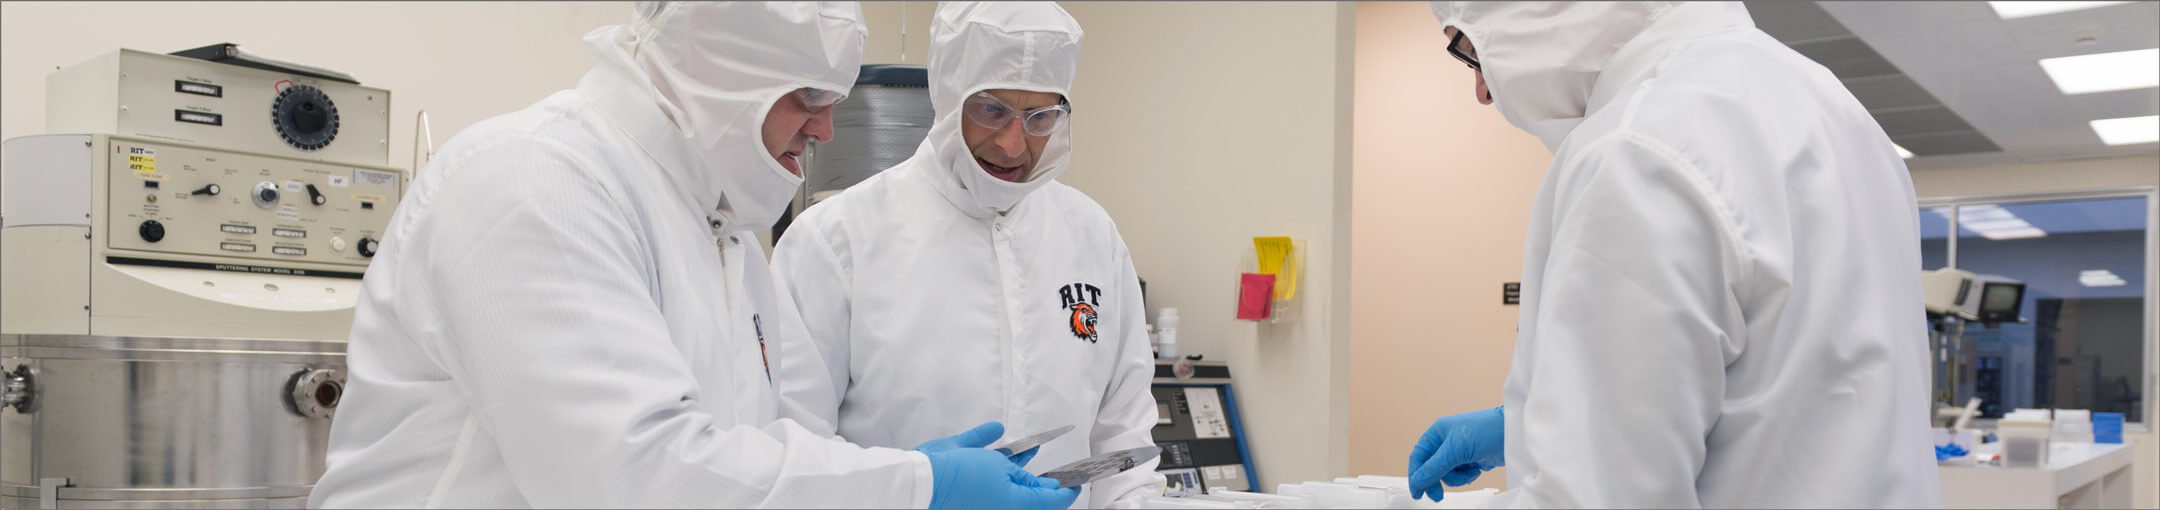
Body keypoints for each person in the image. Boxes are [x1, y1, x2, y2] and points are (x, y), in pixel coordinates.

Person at [309, 3, 1077, 508]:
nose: (825, 132)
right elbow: (635, 476)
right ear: (722, 75)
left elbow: (744, 452)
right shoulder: (533, 181)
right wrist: (917, 486)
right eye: (807, 98)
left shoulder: (721, 227)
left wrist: (898, 475)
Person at [1406, 2, 1942, 508]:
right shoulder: (1830, 105)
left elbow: (1599, 497)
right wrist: (1527, 423)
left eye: (1470, 50)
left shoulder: (1637, 149)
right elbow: (1807, 372)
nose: (1480, 90)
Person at [769, 2, 1165, 507]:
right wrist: (915, 489)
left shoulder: (1093, 236)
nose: (1012, 143)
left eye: (1040, 116)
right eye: (991, 110)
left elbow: (1123, 440)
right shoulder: (835, 241)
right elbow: (793, 455)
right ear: (949, 97)